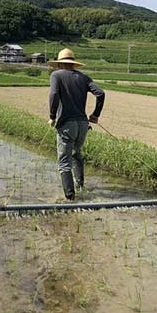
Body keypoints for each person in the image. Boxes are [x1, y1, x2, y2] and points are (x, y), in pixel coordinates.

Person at [48, 48, 105, 200]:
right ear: (73, 63)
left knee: (64, 162)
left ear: (59, 64)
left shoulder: (56, 75)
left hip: (67, 124)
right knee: (76, 154)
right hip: (82, 125)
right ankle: (80, 185)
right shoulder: (84, 78)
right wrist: (95, 115)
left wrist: (52, 116)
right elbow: (101, 93)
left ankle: (70, 198)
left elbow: (53, 95)